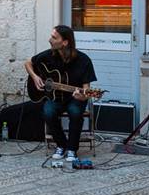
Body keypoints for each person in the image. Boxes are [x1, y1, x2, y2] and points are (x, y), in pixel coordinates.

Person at [25, 25, 97, 163]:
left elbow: (87, 91)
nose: (49, 40)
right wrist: (35, 77)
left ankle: (72, 149)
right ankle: (61, 145)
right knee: (48, 112)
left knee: (75, 112)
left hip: (74, 98)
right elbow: (28, 63)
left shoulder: (83, 60)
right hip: (55, 98)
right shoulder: (49, 55)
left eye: (54, 37)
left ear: (65, 42)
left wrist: (83, 96)